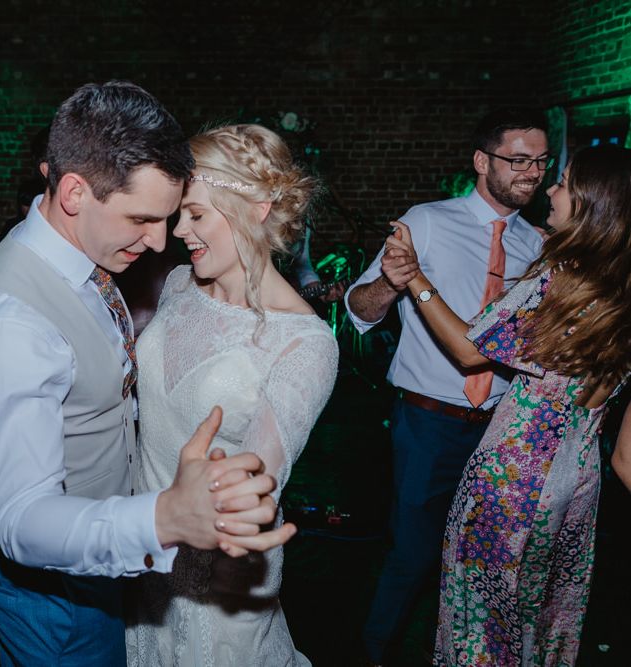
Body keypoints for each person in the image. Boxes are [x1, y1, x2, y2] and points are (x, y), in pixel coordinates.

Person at [0, 82, 295, 667]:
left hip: (97, 557)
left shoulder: (79, 260)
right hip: (53, 593)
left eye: (168, 218)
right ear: (75, 192)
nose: (160, 241)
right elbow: (22, 522)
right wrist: (166, 516)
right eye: (141, 218)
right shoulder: (9, 325)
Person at [385, 144, 631, 665]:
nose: (550, 189)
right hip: (580, 481)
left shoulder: (558, 279)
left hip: (513, 479)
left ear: (591, 201)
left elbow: (471, 351)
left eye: (562, 181)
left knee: (483, 615)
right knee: (546, 613)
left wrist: (417, 279)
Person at [125, 124, 339, 666]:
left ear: (257, 207)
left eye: (196, 214)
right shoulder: (177, 285)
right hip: (145, 553)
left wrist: (245, 509)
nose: (179, 231)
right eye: (179, 215)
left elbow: (263, 468)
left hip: (220, 576)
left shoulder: (304, 343)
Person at [344, 108, 550, 664]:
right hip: (428, 422)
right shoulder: (429, 221)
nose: (531, 172)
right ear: (483, 162)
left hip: (503, 430)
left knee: (484, 562)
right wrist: (390, 282)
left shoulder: (539, 245)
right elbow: (359, 311)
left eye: (540, 161)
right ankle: (373, 653)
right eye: (518, 160)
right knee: (411, 554)